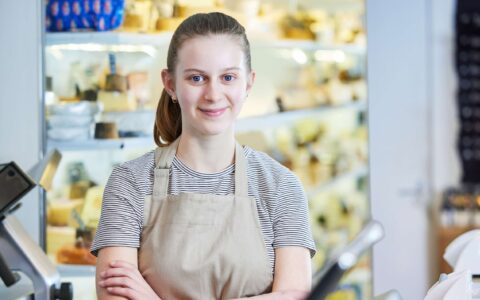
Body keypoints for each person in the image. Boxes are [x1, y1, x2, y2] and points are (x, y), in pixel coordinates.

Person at [91, 12, 316, 300]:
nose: (213, 93)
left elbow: (296, 296)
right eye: (197, 78)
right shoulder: (131, 182)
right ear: (170, 84)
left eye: (228, 77)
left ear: (248, 83)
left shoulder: (281, 186)